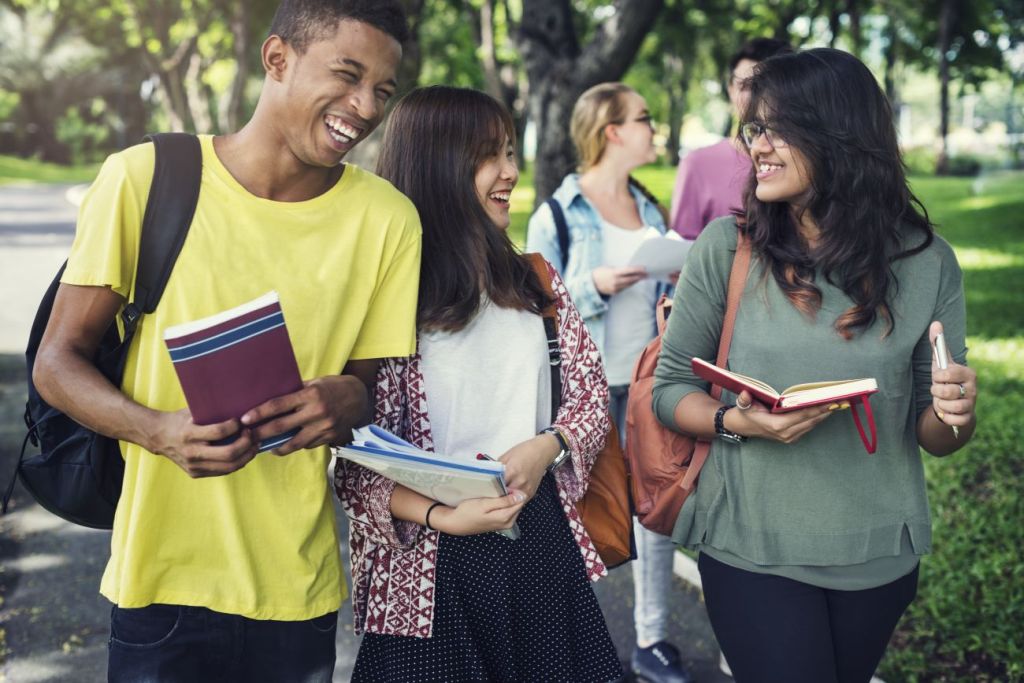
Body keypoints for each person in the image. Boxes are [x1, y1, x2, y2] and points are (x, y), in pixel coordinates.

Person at [32, 2, 421, 680]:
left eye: (382, 91)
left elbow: (367, 384)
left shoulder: (388, 220)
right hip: (161, 582)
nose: (364, 107)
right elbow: (56, 363)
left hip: (296, 588)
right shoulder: (144, 178)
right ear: (276, 59)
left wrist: (346, 399)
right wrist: (157, 430)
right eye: (348, 75)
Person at [652, 48, 978, 683]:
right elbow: (670, 389)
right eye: (754, 129)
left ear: (839, 134)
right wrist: (741, 423)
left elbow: (938, 437)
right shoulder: (727, 247)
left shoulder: (927, 260)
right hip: (751, 545)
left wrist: (955, 411)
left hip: (879, 553)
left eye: (777, 129)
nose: (757, 147)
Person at [336, 85, 622, 683]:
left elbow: (592, 402)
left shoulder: (536, 282)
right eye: (490, 155)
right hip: (425, 571)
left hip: (538, 546)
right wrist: (443, 516)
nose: (511, 173)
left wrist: (548, 446)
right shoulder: (382, 298)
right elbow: (350, 464)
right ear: (438, 164)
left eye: (512, 153)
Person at [526, 82, 691, 683]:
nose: (654, 129)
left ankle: (652, 642)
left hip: (647, 383)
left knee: (653, 514)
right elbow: (534, 303)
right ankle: (572, 643)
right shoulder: (557, 214)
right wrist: (592, 283)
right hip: (583, 395)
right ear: (612, 131)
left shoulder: (651, 208)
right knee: (576, 518)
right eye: (643, 119)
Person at [668, 38, 792, 240]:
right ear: (731, 90)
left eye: (763, 86)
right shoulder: (697, 163)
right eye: (744, 86)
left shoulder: (807, 162)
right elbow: (680, 251)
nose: (753, 98)